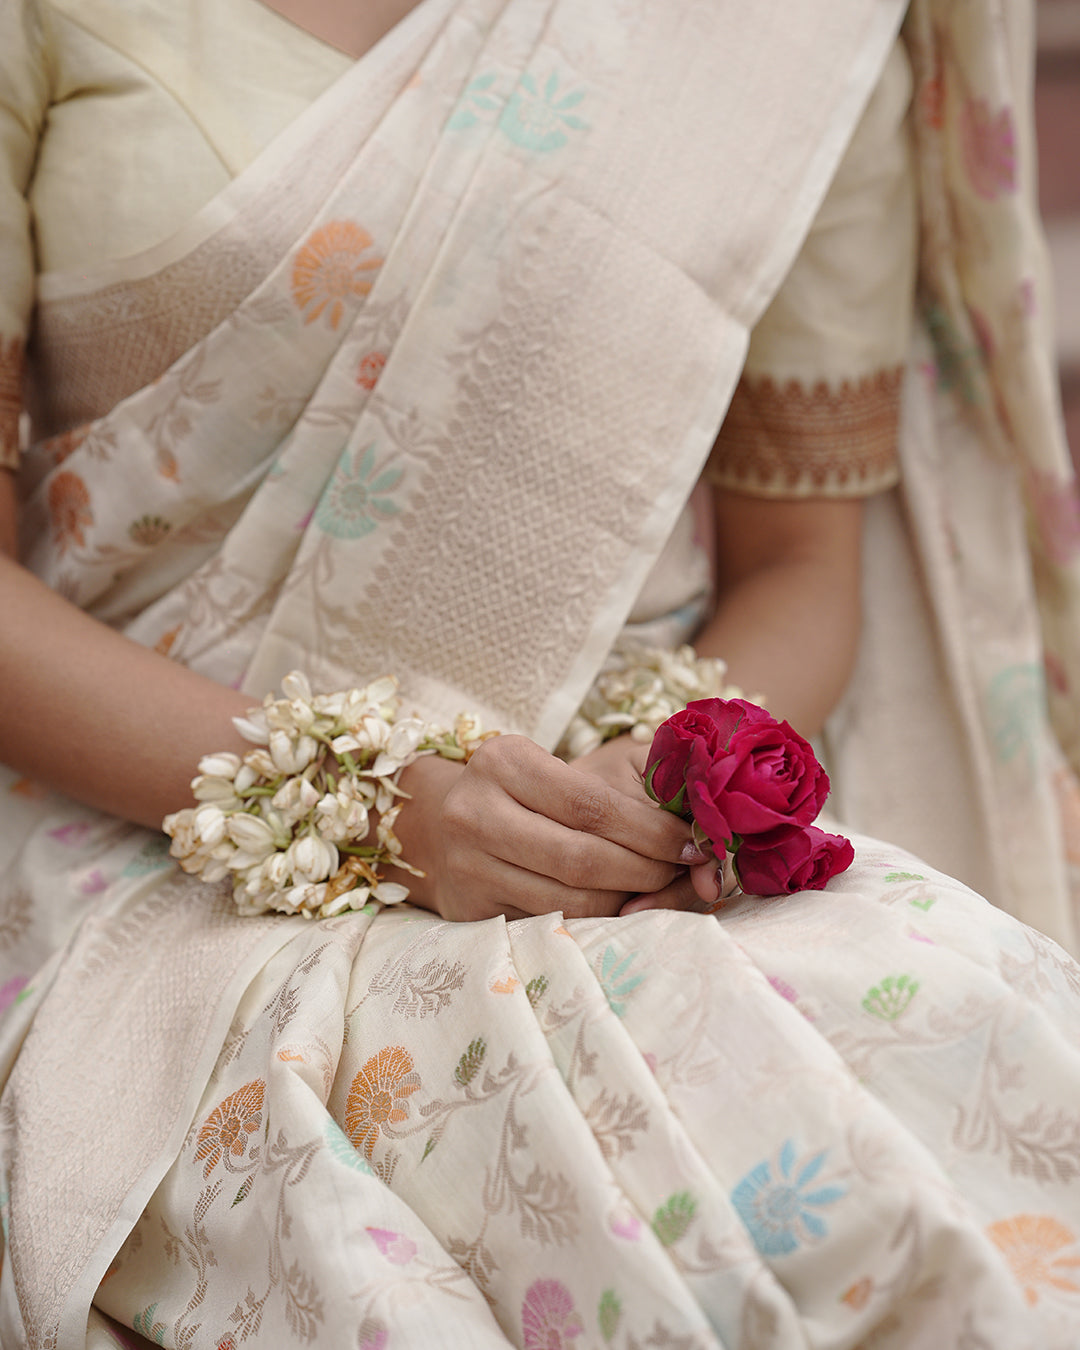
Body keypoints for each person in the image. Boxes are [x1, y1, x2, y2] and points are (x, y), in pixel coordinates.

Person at [1, 1, 1079, 1346]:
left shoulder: (777, 32)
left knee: (952, 1059)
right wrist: (383, 809)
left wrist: (665, 779)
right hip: (150, 827)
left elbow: (800, 560)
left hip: (610, 838)